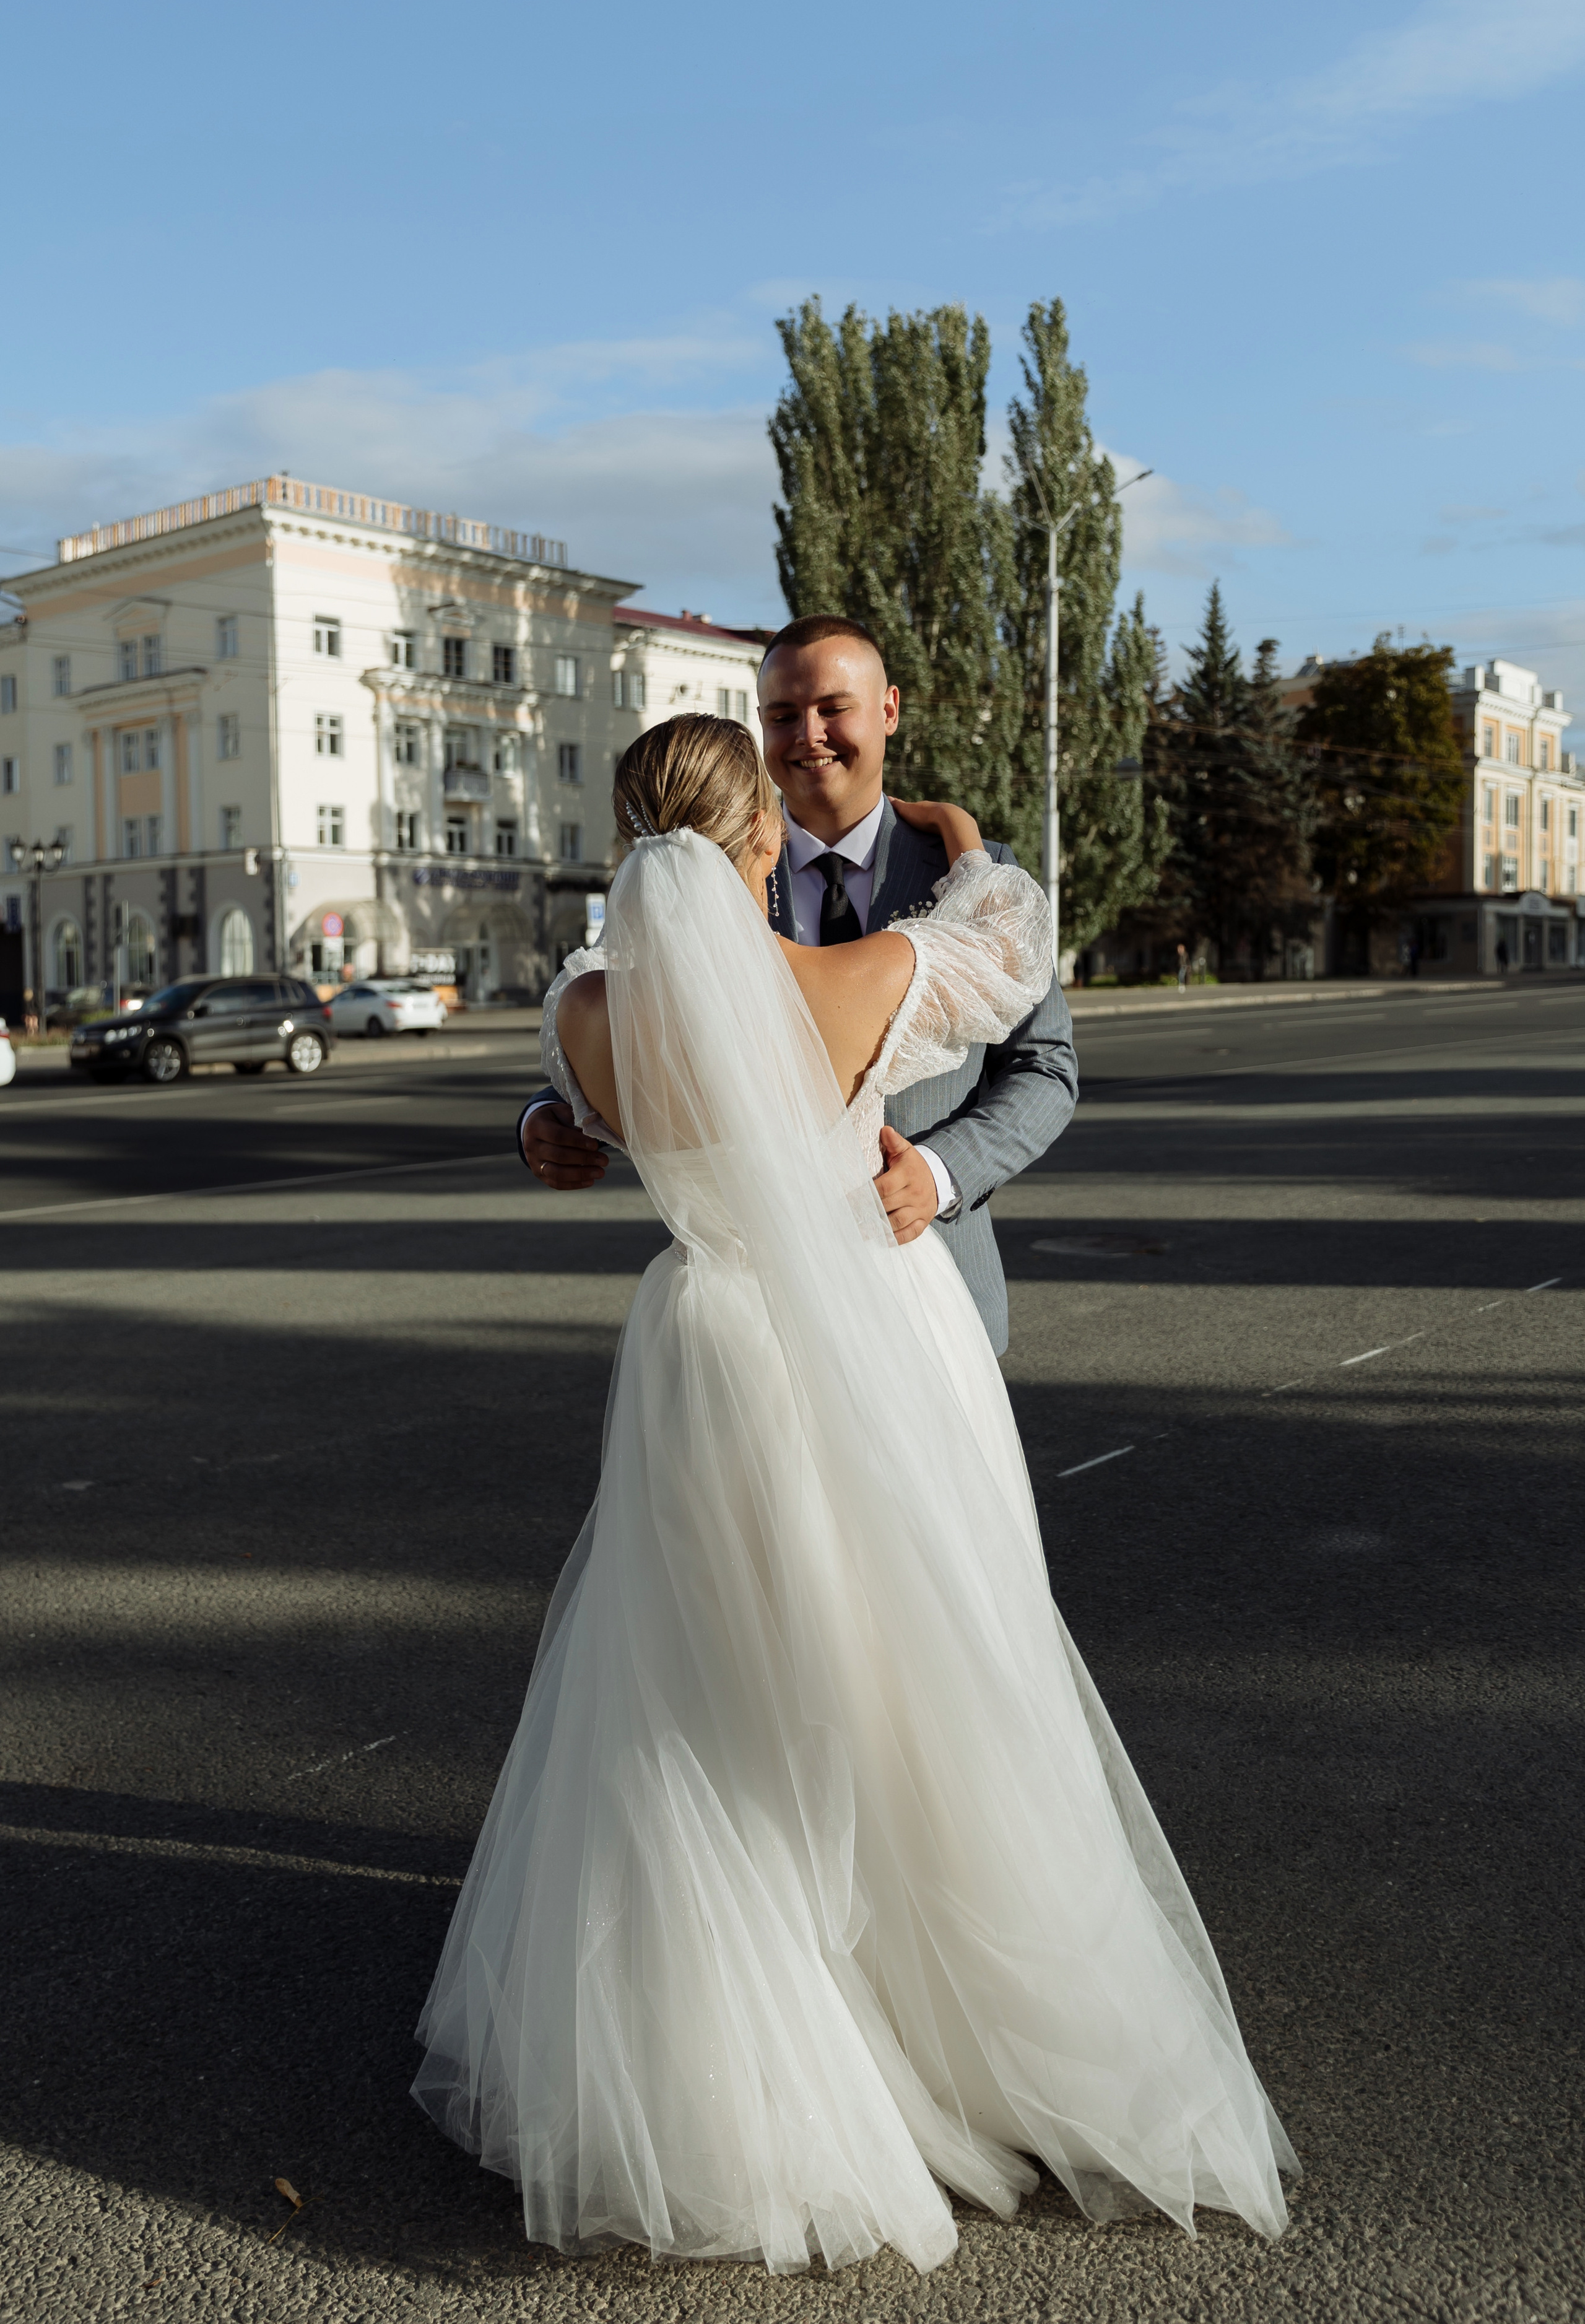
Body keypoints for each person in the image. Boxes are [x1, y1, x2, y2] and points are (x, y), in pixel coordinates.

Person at [413, 713, 1297, 2276]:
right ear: (759, 837)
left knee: (696, 1689)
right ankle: (948, 2003)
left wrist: (558, 1124)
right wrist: (964, 844)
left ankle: (725, 2049)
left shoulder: (585, 1008)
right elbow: (1004, 946)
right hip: (869, 1344)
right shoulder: (856, 978)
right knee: (918, 1666)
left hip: (696, 1348)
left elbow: (573, 1110)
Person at [516, 615, 1078, 1355]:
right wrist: (544, 1120)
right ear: (760, 731)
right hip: (754, 1332)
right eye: (782, 715)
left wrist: (942, 1174)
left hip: (928, 1287)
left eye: (832, 708)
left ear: (889, 710)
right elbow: (634, 1021)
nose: (808, 733)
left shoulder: (967, 865)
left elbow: (1047, 1066)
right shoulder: (685, 874)